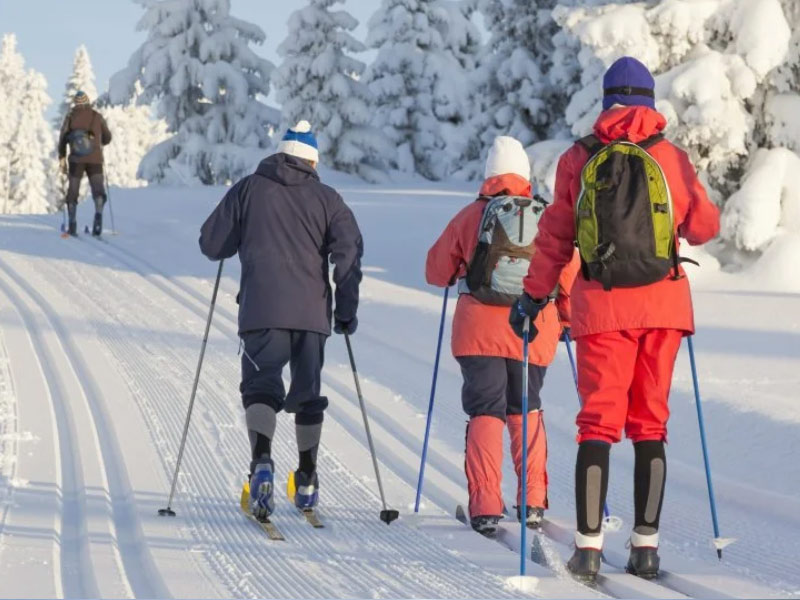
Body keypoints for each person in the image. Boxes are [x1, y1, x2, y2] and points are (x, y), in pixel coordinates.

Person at [509, 57, 720, 581]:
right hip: (664, 309)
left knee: (597, 424)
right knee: (651, 423)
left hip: (600, 307)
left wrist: (533, 297)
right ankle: (646, 547)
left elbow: (555, 238)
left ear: (606, 101)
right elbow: (705, 227)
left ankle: (588, 548)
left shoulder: (578, 158)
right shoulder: (670, 156)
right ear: (650, 100)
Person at [199, 120, 363, 521]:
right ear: (311, 160)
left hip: (261, 310)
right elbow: (350, 255)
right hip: (311, 314)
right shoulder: (329, 198)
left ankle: (262, 463)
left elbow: (211, 244)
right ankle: (306, 479)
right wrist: (346, 309)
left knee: (261, 387)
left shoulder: (249, 188)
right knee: (307, 393)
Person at [426, 136, 579, 537]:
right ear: (525, 176)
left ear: (489, 175)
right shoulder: (547, 218)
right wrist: (567, 321)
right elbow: (570, 280)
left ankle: (485, 505)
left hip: (478, 332)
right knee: (525, 408)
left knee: (485, 412)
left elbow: (435, 271)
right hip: (533, 330)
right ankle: (531, 502)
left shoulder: (468, 216)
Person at [57, 90, 112, 237]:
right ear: (87, 102)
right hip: (95, 160)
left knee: (73, 190)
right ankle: (98, 218)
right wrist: (96, 140)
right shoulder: (97, 116)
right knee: (98, 190)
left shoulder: (70, 117)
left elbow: (62, 139)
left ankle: (72, 223)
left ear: (75, 103)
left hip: (76, 160)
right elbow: (107, 138)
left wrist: (62, 157)